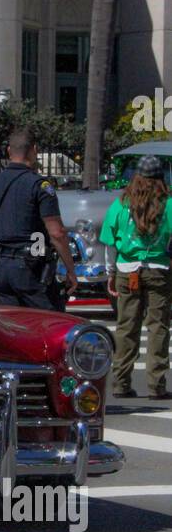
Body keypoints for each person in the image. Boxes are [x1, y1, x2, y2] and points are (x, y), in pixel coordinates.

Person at [99, 154, 172, 399]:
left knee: (126, 326)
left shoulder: (121, 203)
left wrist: (110, 272)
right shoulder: (168, 203)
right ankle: (156, 385)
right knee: (158, 327)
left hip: (127, 269)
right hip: (158, 269)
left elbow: (110, 243)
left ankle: (121, 382)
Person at [0, 128, 77, 310]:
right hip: (30, 267)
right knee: (49, 322)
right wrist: (70, 269)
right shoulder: (39, 185)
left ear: (8, 151)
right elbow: (57, 233)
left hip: (1, 266)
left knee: (13, 326)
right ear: (34, 150)